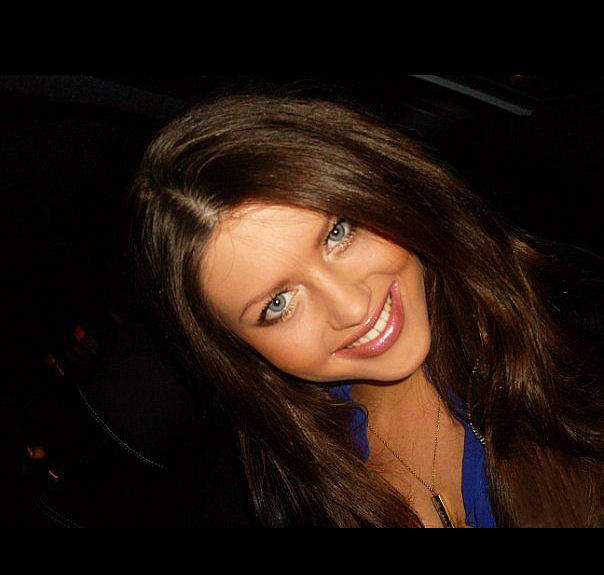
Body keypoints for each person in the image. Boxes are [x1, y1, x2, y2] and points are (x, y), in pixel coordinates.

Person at [127, 92, 603, 527]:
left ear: (384, 190)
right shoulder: (288, 486)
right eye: (278, 304)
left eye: (338, 233)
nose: (352, 307)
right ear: (236, 349)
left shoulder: (573, 327)